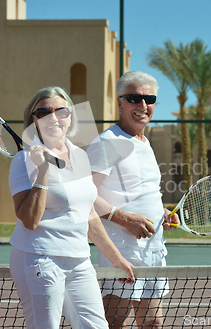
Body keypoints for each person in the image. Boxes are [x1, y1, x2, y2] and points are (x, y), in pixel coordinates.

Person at [8, 86, 135, 329]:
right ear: (34, 120)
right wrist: (43, 170)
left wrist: (116, 258)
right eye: (44, 112)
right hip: (40, 259)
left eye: (61, 111)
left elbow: (88, 213)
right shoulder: (23, 160)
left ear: (70, 117)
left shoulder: (80, 156)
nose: (53, 117)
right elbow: (30, 220)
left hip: (79, 259)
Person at [87, 71, 180, 328]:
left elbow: (139, 191)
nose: (143, 105)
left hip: (153, 252)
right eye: (134, 98)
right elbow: (82, 195)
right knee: (113, 323)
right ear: (119, 102)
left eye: (149, 98)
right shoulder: (108, 142)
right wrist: (125, 219)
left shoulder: (144, 142)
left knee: (153, 324)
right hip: (122, 253)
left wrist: (162, 213)